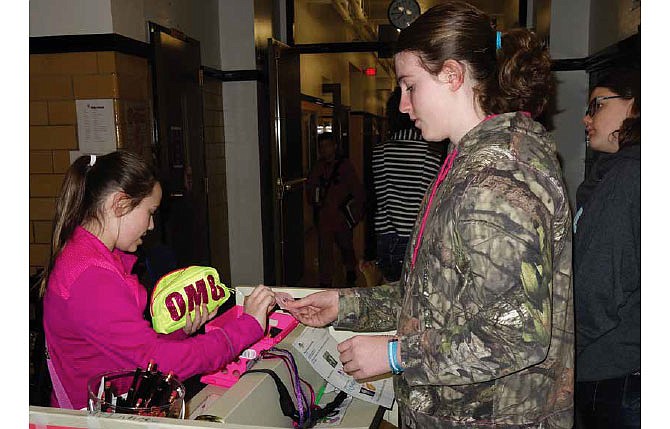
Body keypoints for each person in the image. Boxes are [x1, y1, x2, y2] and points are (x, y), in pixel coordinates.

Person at [284, 2, 574, 427]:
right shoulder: (468, 160)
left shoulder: (496, 179)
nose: (403, 105)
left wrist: (393, 353)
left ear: (453, 76)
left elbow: (516, 337)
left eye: (410, 85)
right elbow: (439, 297)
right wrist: (346, 305)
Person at [40, 151, 276, 410]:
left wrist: (178, 333)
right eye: (150, 212)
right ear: (120, 204)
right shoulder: (91, 277)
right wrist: (248, 326)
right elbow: (162, 362)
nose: (151, 225)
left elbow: (127, 351)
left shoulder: (91, 258)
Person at [573, 69, 640, 428]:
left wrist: (564, 354)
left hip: (616, 373)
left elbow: (597, 288)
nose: (587, 117)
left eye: (597, 105)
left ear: (636, 104)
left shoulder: (628, 176)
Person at [372, 87, 443, 282]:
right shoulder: (431, 152)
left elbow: (381, 197)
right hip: (415, 236)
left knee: (388, 293)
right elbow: (429, 198)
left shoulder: (380, 151)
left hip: (386, 236)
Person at [306, 132, 366, 287]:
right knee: (325, 251)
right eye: (322, 147)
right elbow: (311, 189)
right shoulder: (318, 167)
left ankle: (350, 273)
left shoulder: (345, 166)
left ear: (334, 147)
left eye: (327, 146)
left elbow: (356, 190)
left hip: (341, 217)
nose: (325, 150)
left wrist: (356, 214)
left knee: (346, 246)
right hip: (325, 217)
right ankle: (325, 282)